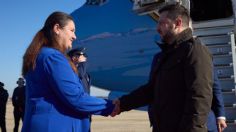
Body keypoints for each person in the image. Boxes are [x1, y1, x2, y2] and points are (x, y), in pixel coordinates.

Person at [112, 3, 213, 132]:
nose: (157, 28)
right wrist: (123, 104)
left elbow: (199, 98)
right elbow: (151, 90)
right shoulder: (166, 55)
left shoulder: (195, 52)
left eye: (161, 23)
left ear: (177, 23)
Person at [21, 11, 115, 132]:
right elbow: (76, 98)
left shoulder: (40, 55)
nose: (74, 36)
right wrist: (113, 106)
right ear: (57, 28)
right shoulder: (53, 58)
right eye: (72, 30)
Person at [147, 53, 227, 132]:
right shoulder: (159, 58)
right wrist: (153, 115)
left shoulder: (200, 54)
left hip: (202, 122)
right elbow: (153, 87)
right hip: (169, 122)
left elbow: (215, 87)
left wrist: (220, 116)